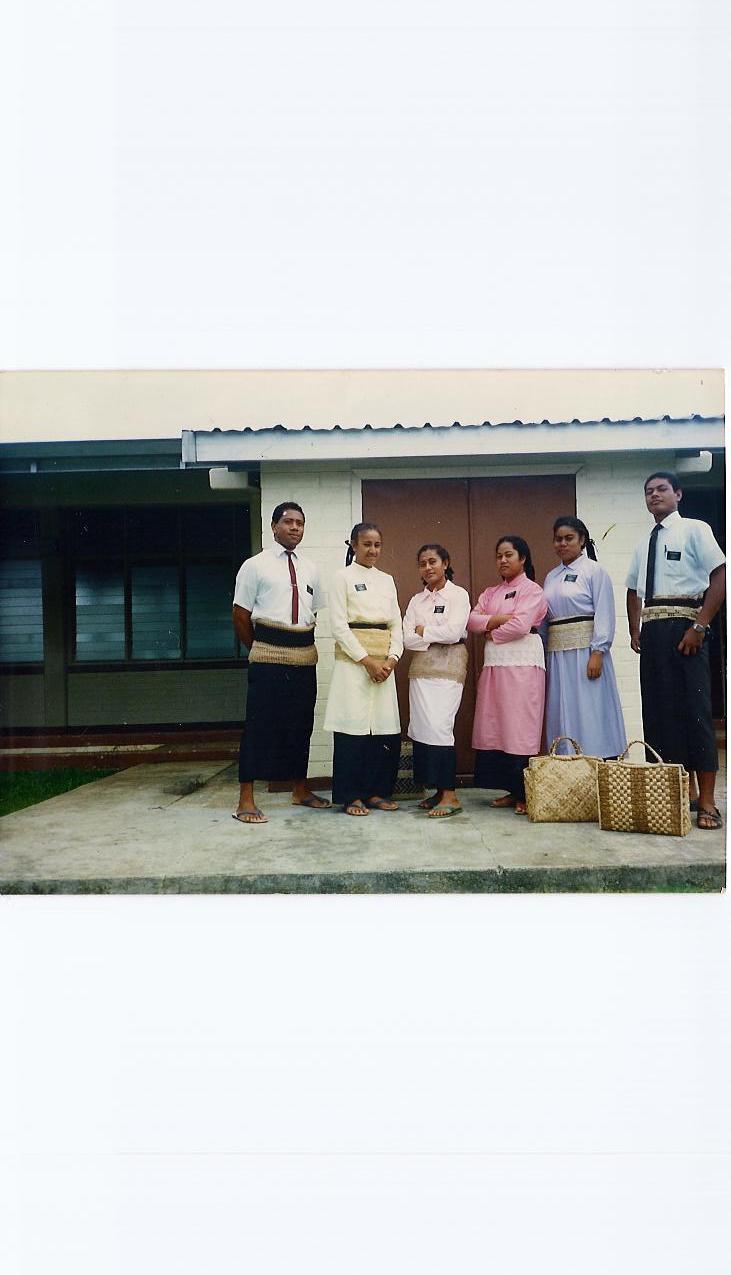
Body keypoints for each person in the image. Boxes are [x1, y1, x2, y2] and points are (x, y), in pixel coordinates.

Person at [626, 471, 726, 831]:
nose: (654, 495)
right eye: (648, 491)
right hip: (653, 634)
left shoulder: (695, 530)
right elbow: (632, 590)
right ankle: (677, 795)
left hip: (686, 627)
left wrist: (700, 625)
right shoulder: (642, 542)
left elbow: (720, 576)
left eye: (661, 489)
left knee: (695, 713)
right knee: (659, 714)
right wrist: (634, 628)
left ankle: (709, 802)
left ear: (678, 494)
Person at [231, 502, 331, 824]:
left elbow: (313, 611)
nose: (294, 528)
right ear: (274, 527)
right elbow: (240, 615)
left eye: (300, 523)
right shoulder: (254, 566)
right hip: (268, 655)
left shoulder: (312, 569)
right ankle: (246, 798)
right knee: (259, 727)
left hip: (304, 655)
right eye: (288, 522)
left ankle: (299, 789)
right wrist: (263, 646)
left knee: (300, 726)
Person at [323, 522, 404, 815]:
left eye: (377, 545)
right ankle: (351, 796)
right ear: (354, 545)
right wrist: (367, 661)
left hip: (384, 665)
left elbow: (396, 622)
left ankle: (377, 792)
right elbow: (338, 626)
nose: (372, 550)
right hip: (355, 664)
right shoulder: (341, 578)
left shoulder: (387, 580)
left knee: (384, 729)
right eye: (366, 544)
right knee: (352, 728)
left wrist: (392, 659)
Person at [468, 535, 548, 814]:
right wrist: (500, 620)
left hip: (524, 664)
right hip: (496, 664)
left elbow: (522, 625)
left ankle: (525, 793)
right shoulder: (490, 592)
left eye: (509, 555)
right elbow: (471, 620)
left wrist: (492, 630)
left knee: (519, 726)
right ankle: (510, 791)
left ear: (522, 558)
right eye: (499, 555)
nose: (503, 560)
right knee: (497, 724)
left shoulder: (533, 590)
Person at [543, 515, 626, 760]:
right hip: (558, 655)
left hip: (585, 653)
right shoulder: (551, 576)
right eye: (558, 539)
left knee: (589, 709)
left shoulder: (594, 571)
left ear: (582, 541)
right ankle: (566, 763)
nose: (563, 544)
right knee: (562, 710)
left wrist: (598, 652)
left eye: (569, 538)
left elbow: (604, 612)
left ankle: (598, 760)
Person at [402, 543, 471, 817]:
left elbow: (455, 632)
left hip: (449, 667)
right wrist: (433, 633)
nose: (428, 567)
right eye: (423, 563)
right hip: (421, 670)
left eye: (433, 561)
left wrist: (424, 630)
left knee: (440, 726)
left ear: (445, 563)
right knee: (421, 728)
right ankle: (437, 792)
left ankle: (451, 795)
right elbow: (407, 639)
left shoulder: (458, 595)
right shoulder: (416, 601)